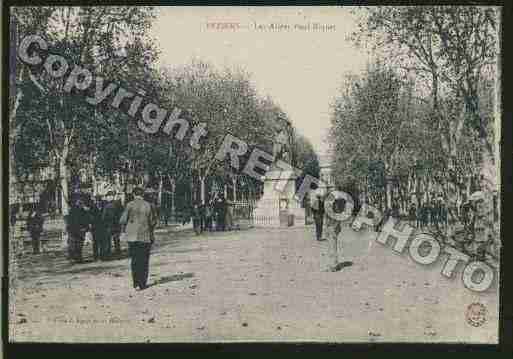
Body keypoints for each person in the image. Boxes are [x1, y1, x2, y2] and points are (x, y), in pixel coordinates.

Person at [119, 187, 157, 290]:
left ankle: (135, 283)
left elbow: (122, 220)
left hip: (132, 237)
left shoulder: (129, 205)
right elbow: (153, 222)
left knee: (134, 260)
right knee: (144, 260)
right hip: (145, 236)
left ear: (134, 195)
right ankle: (142, 283)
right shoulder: (148, 205)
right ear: (143, 195)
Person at [66, 195, 91, 263]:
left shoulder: (83, 211)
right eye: (80, 203)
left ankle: (78, 258)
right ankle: (74, 258)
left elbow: (86, 220)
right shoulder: (73, 210)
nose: (81, 204)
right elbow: (71, 221)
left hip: (79, 230)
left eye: (82, 203)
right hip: (74, 230)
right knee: (74, 244)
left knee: (79, 244)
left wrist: (86, 228)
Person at [325, 191, 345, 272]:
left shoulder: (335, 206)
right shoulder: (330, 206)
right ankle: (332, 264)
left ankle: (334, 265)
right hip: (329, 227)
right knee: (330, 247)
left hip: (333, 227)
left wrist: (335, 227)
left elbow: (337, 218)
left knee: (333, 246)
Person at [102, 192, 123, 257]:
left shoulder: (106, 206)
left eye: (108, 196)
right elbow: (121, 214)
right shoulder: (119, 205)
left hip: (109, 225)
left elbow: (103, 216)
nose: (107, 198)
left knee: (108, 240)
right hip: (116, 224)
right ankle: (118, 252)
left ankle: (108, 253)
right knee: (116, 240)